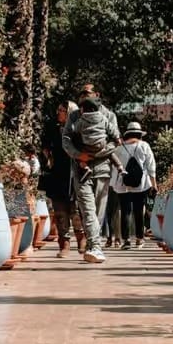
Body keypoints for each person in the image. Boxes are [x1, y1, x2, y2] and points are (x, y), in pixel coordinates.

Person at [63, 84, 121, 263]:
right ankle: (95, 246)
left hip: (102, 169)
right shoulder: (74, 116)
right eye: (81, 94)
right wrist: (79, 155)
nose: (84, 97)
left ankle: (93, 246)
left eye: (87, 94)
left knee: (98, 211)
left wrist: (95, 154)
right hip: (80, 169)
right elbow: (66, 139)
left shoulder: (109, 115)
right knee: (87, 210)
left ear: (97, 95)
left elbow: (115, 141)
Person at [40, 101, 85, 257]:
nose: (59, 112)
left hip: (74, 174)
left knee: (76, 210)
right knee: (59, 211)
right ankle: (64, 243)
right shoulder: (52, 129)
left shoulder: (77, 129)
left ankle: (81, 239)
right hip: (57, 174)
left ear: (71, 112)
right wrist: (48, 158)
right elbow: (45, 146)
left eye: (62, 110)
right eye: (58, 109)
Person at [111, 121, 157, 249]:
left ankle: (126, 240)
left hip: (122, 184)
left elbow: (114, 167)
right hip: (140, 184)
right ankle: (139, 239)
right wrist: (154, 184)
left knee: (125, 211)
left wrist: (113, 184)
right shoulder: (144, 146)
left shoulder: (119, 148)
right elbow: (151, 166)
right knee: (138, 210)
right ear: (139, 134)